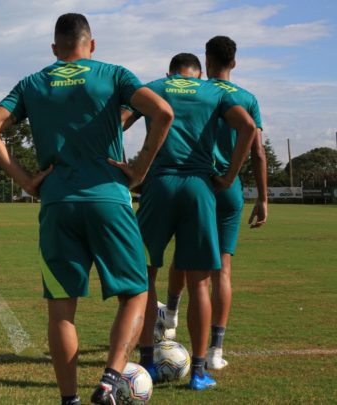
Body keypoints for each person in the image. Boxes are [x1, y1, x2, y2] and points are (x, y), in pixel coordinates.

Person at [0, 13, 174, 405]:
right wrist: (138, 171)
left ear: (54, 49)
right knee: (135, 293)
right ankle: (111, 381)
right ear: (91, 45)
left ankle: (70, 400)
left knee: (61, 309)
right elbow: (162, 113)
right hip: (109, 201)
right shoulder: (113, 74)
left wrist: (25, 178)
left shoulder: (33, 83)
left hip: (57, 203)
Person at [121, 53, 258, 390]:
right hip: (199, 188)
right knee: (199, 283)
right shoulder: (213, 92)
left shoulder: (154, 87)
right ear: (199, 74)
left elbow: (117, 120)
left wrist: (126, 169)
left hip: (159, 185)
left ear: (169, 72)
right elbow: (249, 128)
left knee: (145, 275)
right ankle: (198, 371)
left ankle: (149, 362)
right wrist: (228, 176)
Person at [157, 36, 267, 371]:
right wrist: (262, 197)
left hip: (198, 182)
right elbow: (258, 151)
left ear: (206, 61)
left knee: (184, 255)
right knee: (222, 269)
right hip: (230, 187)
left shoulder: (198, 92)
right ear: (234, 62)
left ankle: (171, 315)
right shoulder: (246, 98)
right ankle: (216, 352)